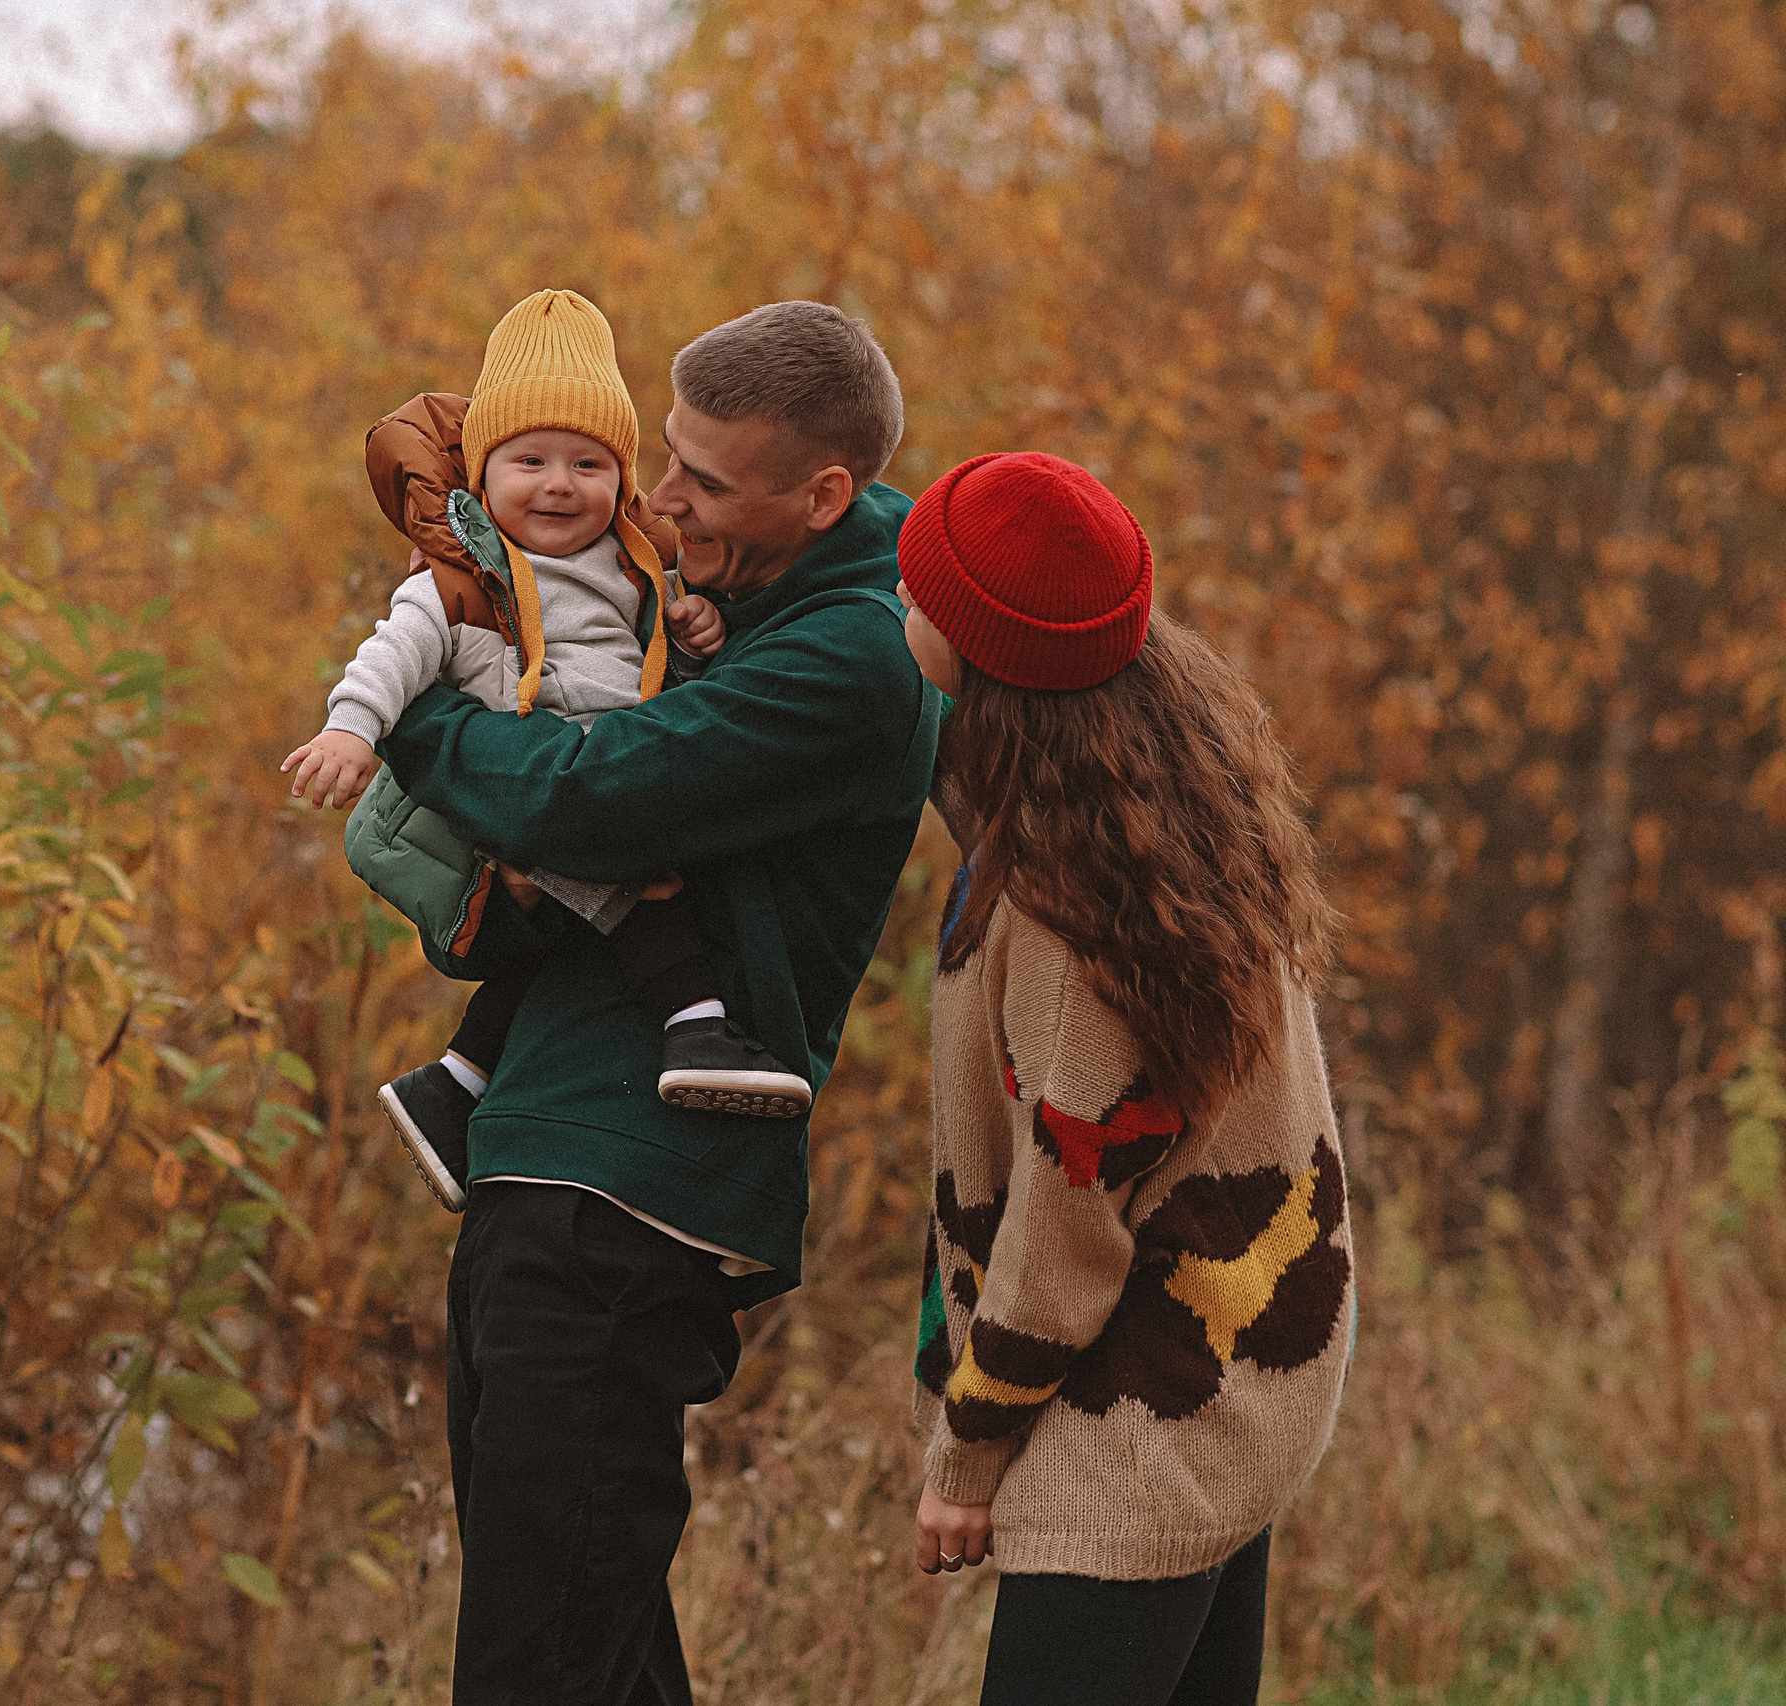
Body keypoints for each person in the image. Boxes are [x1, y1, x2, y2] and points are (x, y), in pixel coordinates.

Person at [375, 301, 941, 1704]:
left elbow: (587, 799)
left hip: (625, 1201)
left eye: (703, 479)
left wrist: (417, 710)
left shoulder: (854, 654)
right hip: (545, 1156)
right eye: (665, 454)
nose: (659, 496)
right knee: (595, 1654)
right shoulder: (741, 578)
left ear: (822, 494)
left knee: (537, 1664)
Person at [896, 452, 1355, 1706]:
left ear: (980, 653)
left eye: (914, 592)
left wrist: (966, 1453)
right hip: (1231, 1388)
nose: (896, 603)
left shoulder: (1064, 919)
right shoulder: (1155, 782)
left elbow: (1066, 1228)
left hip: (1138, 1415)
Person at [281, 290, 815, 1215]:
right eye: (529, 461)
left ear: (622, 478)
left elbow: (646, 656)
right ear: (484, 476)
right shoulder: (462, 578)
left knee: (571, 937)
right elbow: (394, 653)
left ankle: (452, 1083)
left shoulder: (631, 561)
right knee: (647, 892)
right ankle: (697, 1027)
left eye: (588, 463)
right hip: (531, 786)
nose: (559, 485)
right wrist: (350, 727)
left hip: (596, 767)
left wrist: (692, 630)